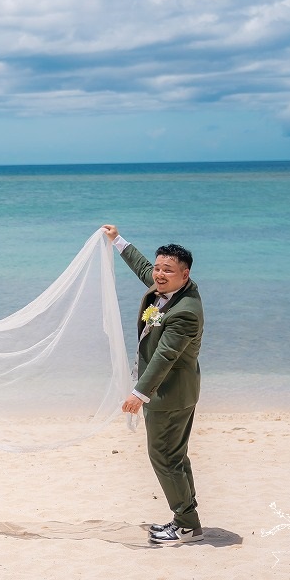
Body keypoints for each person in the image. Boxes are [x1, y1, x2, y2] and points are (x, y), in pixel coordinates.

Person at [101, 224, 204, 545]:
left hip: (168, 395)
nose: (158, 274)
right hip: (179, 391)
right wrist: (117, 240)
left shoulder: (185, 312)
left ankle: (186, 525)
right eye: (159, 268)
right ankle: (187, 517)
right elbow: (144, 267)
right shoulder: (172, 288)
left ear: (184, 275)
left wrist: (139, 394)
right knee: (176, 456)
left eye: (167, 270)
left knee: (164, 457)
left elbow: (165, 356)